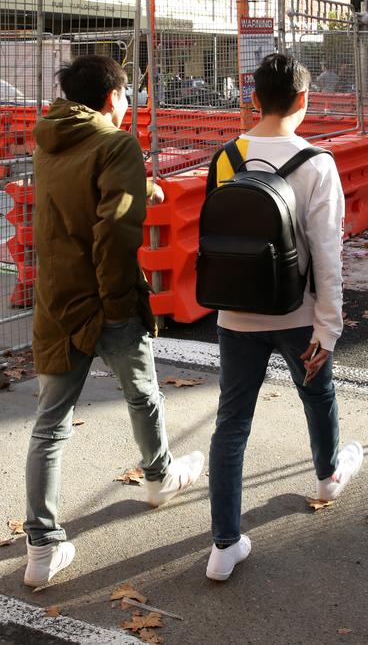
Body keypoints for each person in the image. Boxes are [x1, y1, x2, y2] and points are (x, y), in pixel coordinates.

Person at [24, 55, 204, 588]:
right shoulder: (117, 144)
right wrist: (117, 303)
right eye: (127, 94)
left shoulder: (51, 139)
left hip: (57, 301)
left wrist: (140, 188)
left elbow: (80, 200)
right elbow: (113, 233)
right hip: (105, 302)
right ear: (111, 99)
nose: (129, 103)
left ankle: (42, 546)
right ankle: (158, 478)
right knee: (142, 393)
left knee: (50, 424)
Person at [206, 53, 363, 582]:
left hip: (236, 315)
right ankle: (326, 477)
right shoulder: (317, 162)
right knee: (317, 395)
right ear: (303, 101)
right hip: (297, 314)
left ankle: (224, 545)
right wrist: (329, 327)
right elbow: (327, 253)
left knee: (231, 424)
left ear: (253, 98)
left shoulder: (226, 158)